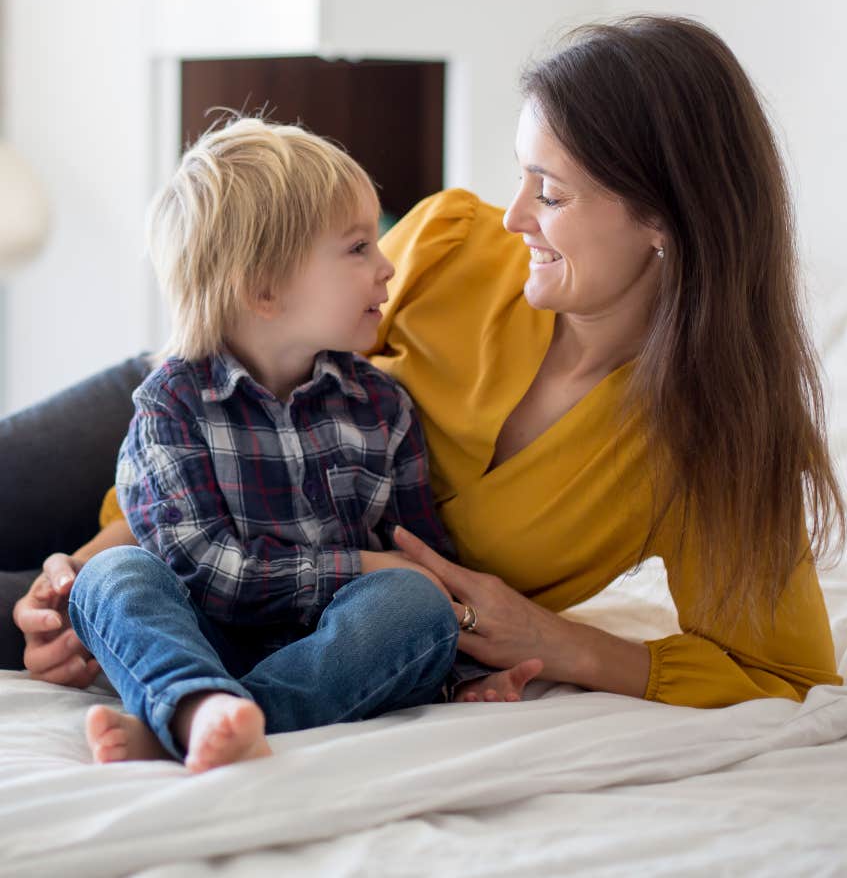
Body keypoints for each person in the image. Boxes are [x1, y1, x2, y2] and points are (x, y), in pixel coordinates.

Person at [11, 14, 844, 712]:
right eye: (521, 177)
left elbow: (784, 674)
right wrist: (81, 575)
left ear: (665, 218)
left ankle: (211, 713)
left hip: (304, 598)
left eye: (551, 193)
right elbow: (240, 368)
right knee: (70, 592)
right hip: (184, 417)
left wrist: (555, 642)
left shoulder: (715, 440)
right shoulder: (452, 243)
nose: (513, 216)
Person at [51, 117, 537, 773]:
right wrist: (360, 567)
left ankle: (191, 722)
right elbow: (207, 569)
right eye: (358, 247)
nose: (387, 266)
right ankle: (198, 700)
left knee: (416, 604)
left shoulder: (382, 405)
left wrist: (463, 674)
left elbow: (422, 557)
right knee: (110, 577)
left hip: (334, 650)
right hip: (203, 635)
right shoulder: (172, 404)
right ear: (265, 289)